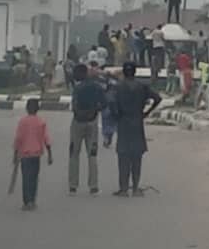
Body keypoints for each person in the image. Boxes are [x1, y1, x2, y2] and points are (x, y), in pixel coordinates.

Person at [113, 61, 162, 197]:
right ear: (135, 72)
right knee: (136, 156)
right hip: (137, 122)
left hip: (123, 122)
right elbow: (158, 98)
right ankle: (135, 188)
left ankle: (123, 189)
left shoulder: (118, 87)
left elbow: (110, 102)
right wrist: (146, 113)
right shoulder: (142, 86)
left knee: (123, 156)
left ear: (124, 72)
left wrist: (116, 115)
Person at [69, 63, 106, 195]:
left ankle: (73, 185)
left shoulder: (77, 88)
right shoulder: (97, 87)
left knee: (74, 154)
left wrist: (79, 114)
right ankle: (93, 186)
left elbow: (74, 106)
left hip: (78, 123)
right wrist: (94, 110)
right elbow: (104, 103)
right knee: (92, 155)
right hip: (92, 122)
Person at [13, 98, 53, 210]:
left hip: (25, 155)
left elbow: (18, 138)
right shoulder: (41, 122)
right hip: (36, 155)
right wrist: (50, 154)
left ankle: (27, 201)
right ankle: (32, 200)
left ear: (26, 108)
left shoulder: (22, 122)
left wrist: (15, 153)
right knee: (34, 178)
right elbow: (46, 139)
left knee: (26, 178)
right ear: (38, 109)